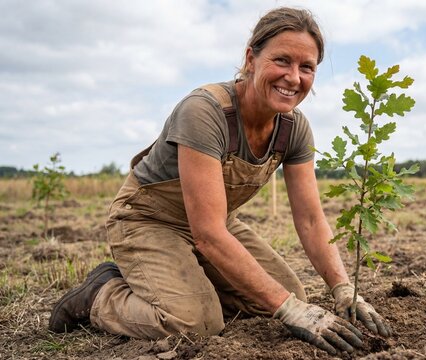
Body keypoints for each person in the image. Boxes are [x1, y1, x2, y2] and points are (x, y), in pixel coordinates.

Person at [48, 6, 391, 355]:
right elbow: (208, 234)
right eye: (282, 60)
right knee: (197, 323)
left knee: (288, 295)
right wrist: (289, 310)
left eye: (307, 67)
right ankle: (102, 294)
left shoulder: (294, 128)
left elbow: (310, 218)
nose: (293, 77)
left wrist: (342, 287)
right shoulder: (205, 112)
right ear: (251, 58)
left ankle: (189, 287)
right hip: (148, 221)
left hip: (217, 225)